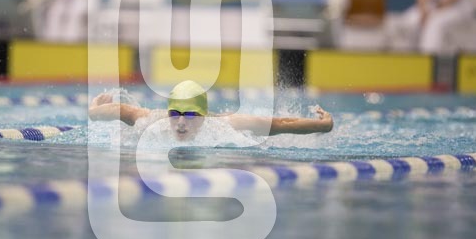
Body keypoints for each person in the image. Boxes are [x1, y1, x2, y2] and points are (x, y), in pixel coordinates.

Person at [89, 80, 334, 142]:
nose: (181, 122)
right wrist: (94, 108)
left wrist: (322, 125)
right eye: (175, 114)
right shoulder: (151, 120)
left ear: (204, 116)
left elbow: (279, 123)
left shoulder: (226, 125)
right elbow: (120, 110)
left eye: (191, 115)